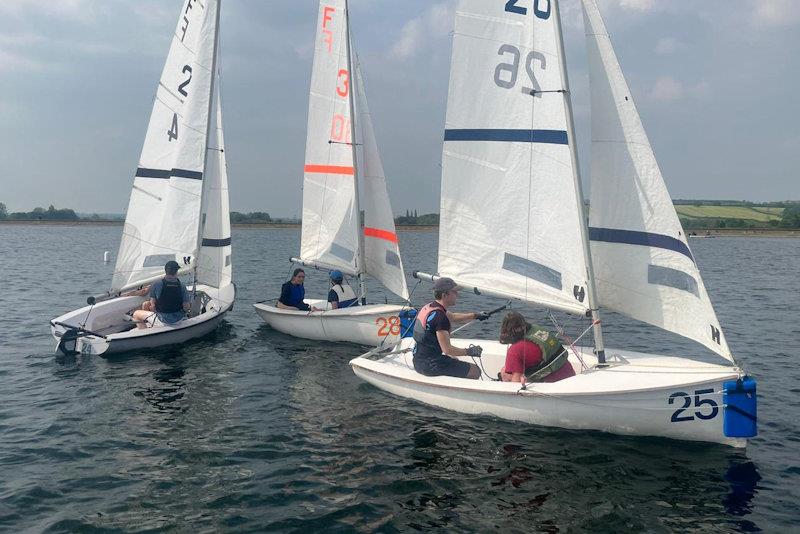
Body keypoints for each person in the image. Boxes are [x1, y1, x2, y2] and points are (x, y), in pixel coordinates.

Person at [412, 277, 490, 380]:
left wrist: (476, 315)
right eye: (454, 292)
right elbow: (447, 349)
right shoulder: (440, 318)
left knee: (455, 359)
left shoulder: (430, 307)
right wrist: (469, 351)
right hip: (430, 365)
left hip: (418, 360)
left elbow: (453, 317)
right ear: (445, 295)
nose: (457, 295)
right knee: (475, 371)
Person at [497, 312, 576, 384]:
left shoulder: (514, 351)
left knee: (504, 372)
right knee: (507, 370)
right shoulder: (537, 330)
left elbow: (515, 383)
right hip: (570, 376)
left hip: (553, 386)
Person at [132, 260, 191, 328]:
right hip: (179, 320)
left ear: (165, 270)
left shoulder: (156, 284)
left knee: (136, 314)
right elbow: (186, 307)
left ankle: (145, 332)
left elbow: (153, 306)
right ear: (176, 271)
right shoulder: (182, 286)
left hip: (162, 320)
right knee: (146, 304)